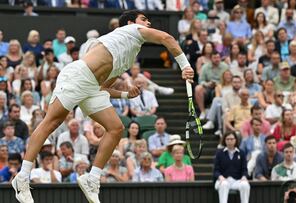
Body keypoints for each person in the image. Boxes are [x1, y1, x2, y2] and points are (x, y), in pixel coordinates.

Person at [12, 10, 194, 203]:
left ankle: (92, 179)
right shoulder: (132, 30)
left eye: (148, 20)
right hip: (78, 76)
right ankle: (22, 177)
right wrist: (185, 66)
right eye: (144, 19)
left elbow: (103, 87)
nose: (148, 22)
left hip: (91, 87)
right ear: (131, 23)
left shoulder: (130, 55)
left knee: (116, 129)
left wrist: (125, 94)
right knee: (52, 122)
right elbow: (166, 37)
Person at [213, 131, 250, 203]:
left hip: (236, 181)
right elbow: (216, 170)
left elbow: (244, 169)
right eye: (228, 139)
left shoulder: (241, 153)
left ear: (236, 140)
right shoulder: (219, 153)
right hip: (223, 180)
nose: (230, 141)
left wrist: (244, 177)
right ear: (224, 140)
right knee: (224, 184)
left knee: (245, 185)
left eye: (232, 139)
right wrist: (220, 177)